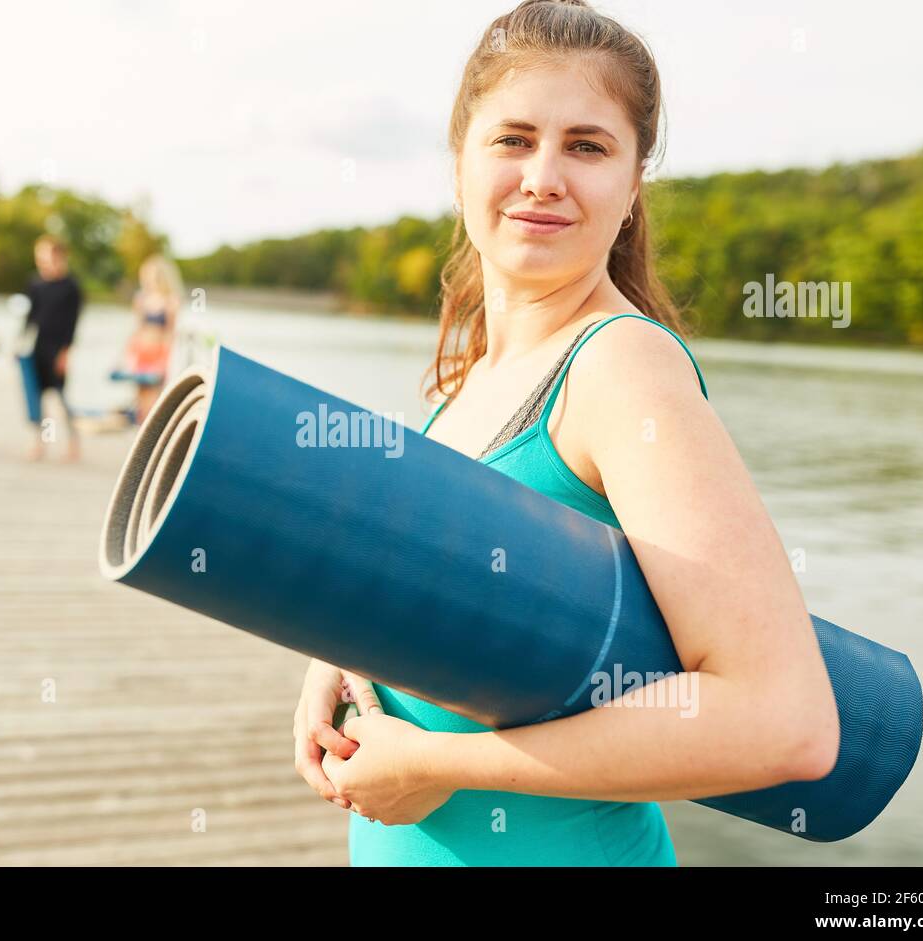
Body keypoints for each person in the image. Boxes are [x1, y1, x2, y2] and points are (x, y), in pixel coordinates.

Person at [293, 0, 840, 866]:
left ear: (632, 187)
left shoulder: (621, 369)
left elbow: (786, 721)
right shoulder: (472, 373)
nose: (544, 175)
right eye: (512, 139)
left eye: (587, 146)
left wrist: (439, 761)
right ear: (461, 161)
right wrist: (339, 663)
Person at [22, 235, 83, 461]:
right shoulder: (35, 283)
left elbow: (73, 324)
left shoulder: (72, 287)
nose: (43, 262)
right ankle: (40, 443)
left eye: (46, 256)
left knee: (60, 398)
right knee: (36, 398)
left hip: (58, 349)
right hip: (37, 346)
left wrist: (66, 353)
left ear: (59, 256)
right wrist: (20, 343)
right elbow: (30, 316)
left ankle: (73, 442)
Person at [115, 255, 182, 424]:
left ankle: (152, 432)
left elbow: (170, 334)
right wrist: (126, 356)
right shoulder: (141, 299)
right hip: (141, 351)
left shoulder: (171, 301)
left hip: (158, 353)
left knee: (154, 398)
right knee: (140, 397)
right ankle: (141, 434)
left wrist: (166, 361)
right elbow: (137, 329)